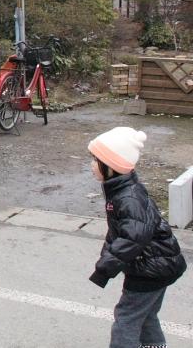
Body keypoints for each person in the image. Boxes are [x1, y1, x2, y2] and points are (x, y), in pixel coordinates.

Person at [87, 127, 187, 348]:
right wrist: (106, 257)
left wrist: (105, 268)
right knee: (146, 315)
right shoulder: (121, 190)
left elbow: (133, 239)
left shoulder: (128, 198)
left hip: (150, 269)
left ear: (112, 166)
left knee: (126, 318)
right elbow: (118, 233)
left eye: (96, 160)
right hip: (158, 265)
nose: (92, 165)